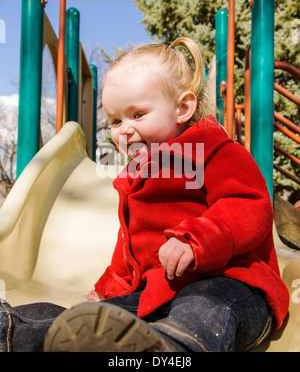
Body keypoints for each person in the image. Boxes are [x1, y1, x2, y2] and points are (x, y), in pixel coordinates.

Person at [1, 37, 289, 353]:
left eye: (137, 115)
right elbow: (131, 244)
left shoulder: (214, 152)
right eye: (115, 120)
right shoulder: (136, 175)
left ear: (183, 108)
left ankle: (174, 348)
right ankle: (12, 328)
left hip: (234, 285)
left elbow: (249, 205)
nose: (123, 130)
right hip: (156, 293)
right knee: (91, 318)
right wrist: (111, 288)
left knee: (202, 310)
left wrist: (197, 239)